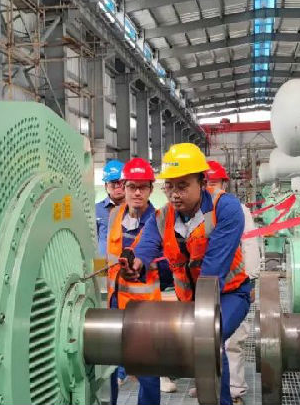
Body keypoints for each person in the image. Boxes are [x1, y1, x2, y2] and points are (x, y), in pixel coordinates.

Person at [125, 143, 251, 405]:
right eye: (169, 186)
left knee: (210, 337)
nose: (174, 194)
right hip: (190, 302)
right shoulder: (163, 217)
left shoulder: (225, 209)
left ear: (202, 182)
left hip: (230, 295)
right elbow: (146, 245)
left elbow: (213, 270)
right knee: (155, 342)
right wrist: (135, 263)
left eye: (182, 186)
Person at [107, 158, 161, 405]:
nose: (137, 192)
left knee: (148, 370)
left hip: (145, 308)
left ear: (150, 189)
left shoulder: (159, 220)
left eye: (142, 187)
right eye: (131, 186)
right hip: (115, 302)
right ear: (124, 187)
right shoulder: (114, 215)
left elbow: (167, 265)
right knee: (109, 366)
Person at [206, 160, 261, 405]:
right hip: (209, 286)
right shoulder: (198, 212)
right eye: (206, 182)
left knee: (233, 341)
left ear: (224, 184)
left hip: (234, 284)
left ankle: (235, 390)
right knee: (208, 339)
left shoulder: (236, 209)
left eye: (214, 182)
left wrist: (252, 279)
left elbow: (250, 245)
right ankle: (209, 383)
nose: (210, 186)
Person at [96, 160, 125, 259]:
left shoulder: (135, 210)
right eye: (113, 183)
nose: (117, 186)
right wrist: (98, 266)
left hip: (127, 264)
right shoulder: (96, 210)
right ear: (106, 186)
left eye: (120, 182)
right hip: (102, 264)